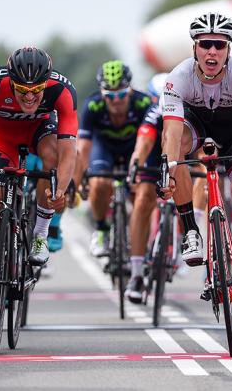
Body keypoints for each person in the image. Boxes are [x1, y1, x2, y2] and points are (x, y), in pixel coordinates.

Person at [156, 12, 232, 333]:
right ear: (195, 47)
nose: (212, 52)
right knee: (176, 153)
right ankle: (190, 228)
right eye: (205, 44)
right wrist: (167, 170)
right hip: (195, 128)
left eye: (219, 45)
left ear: (228, 50)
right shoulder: (177, 78)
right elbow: (172, 133)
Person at [0, 47, 78, 331]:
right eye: (22, 90)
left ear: (48, 82)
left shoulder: (62, 90)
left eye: (37, 90)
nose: (30, 96)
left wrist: (61, 190)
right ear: (11, 81)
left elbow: (69, 152)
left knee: (51, 159)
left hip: (41, 133)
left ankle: (40, 234)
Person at [72, 60, 161, 304]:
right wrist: (78, 181)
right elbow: (84, 148)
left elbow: (150, 139)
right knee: (100, 183)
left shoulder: (143, 103)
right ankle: (101, 230)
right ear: (102, 94)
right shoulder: (93, 106)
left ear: (129, 90)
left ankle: (135, 240)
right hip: (105, 149)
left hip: (137, 148)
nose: (116, 101)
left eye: (121, 95)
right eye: (109, 96)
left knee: (141, 195)